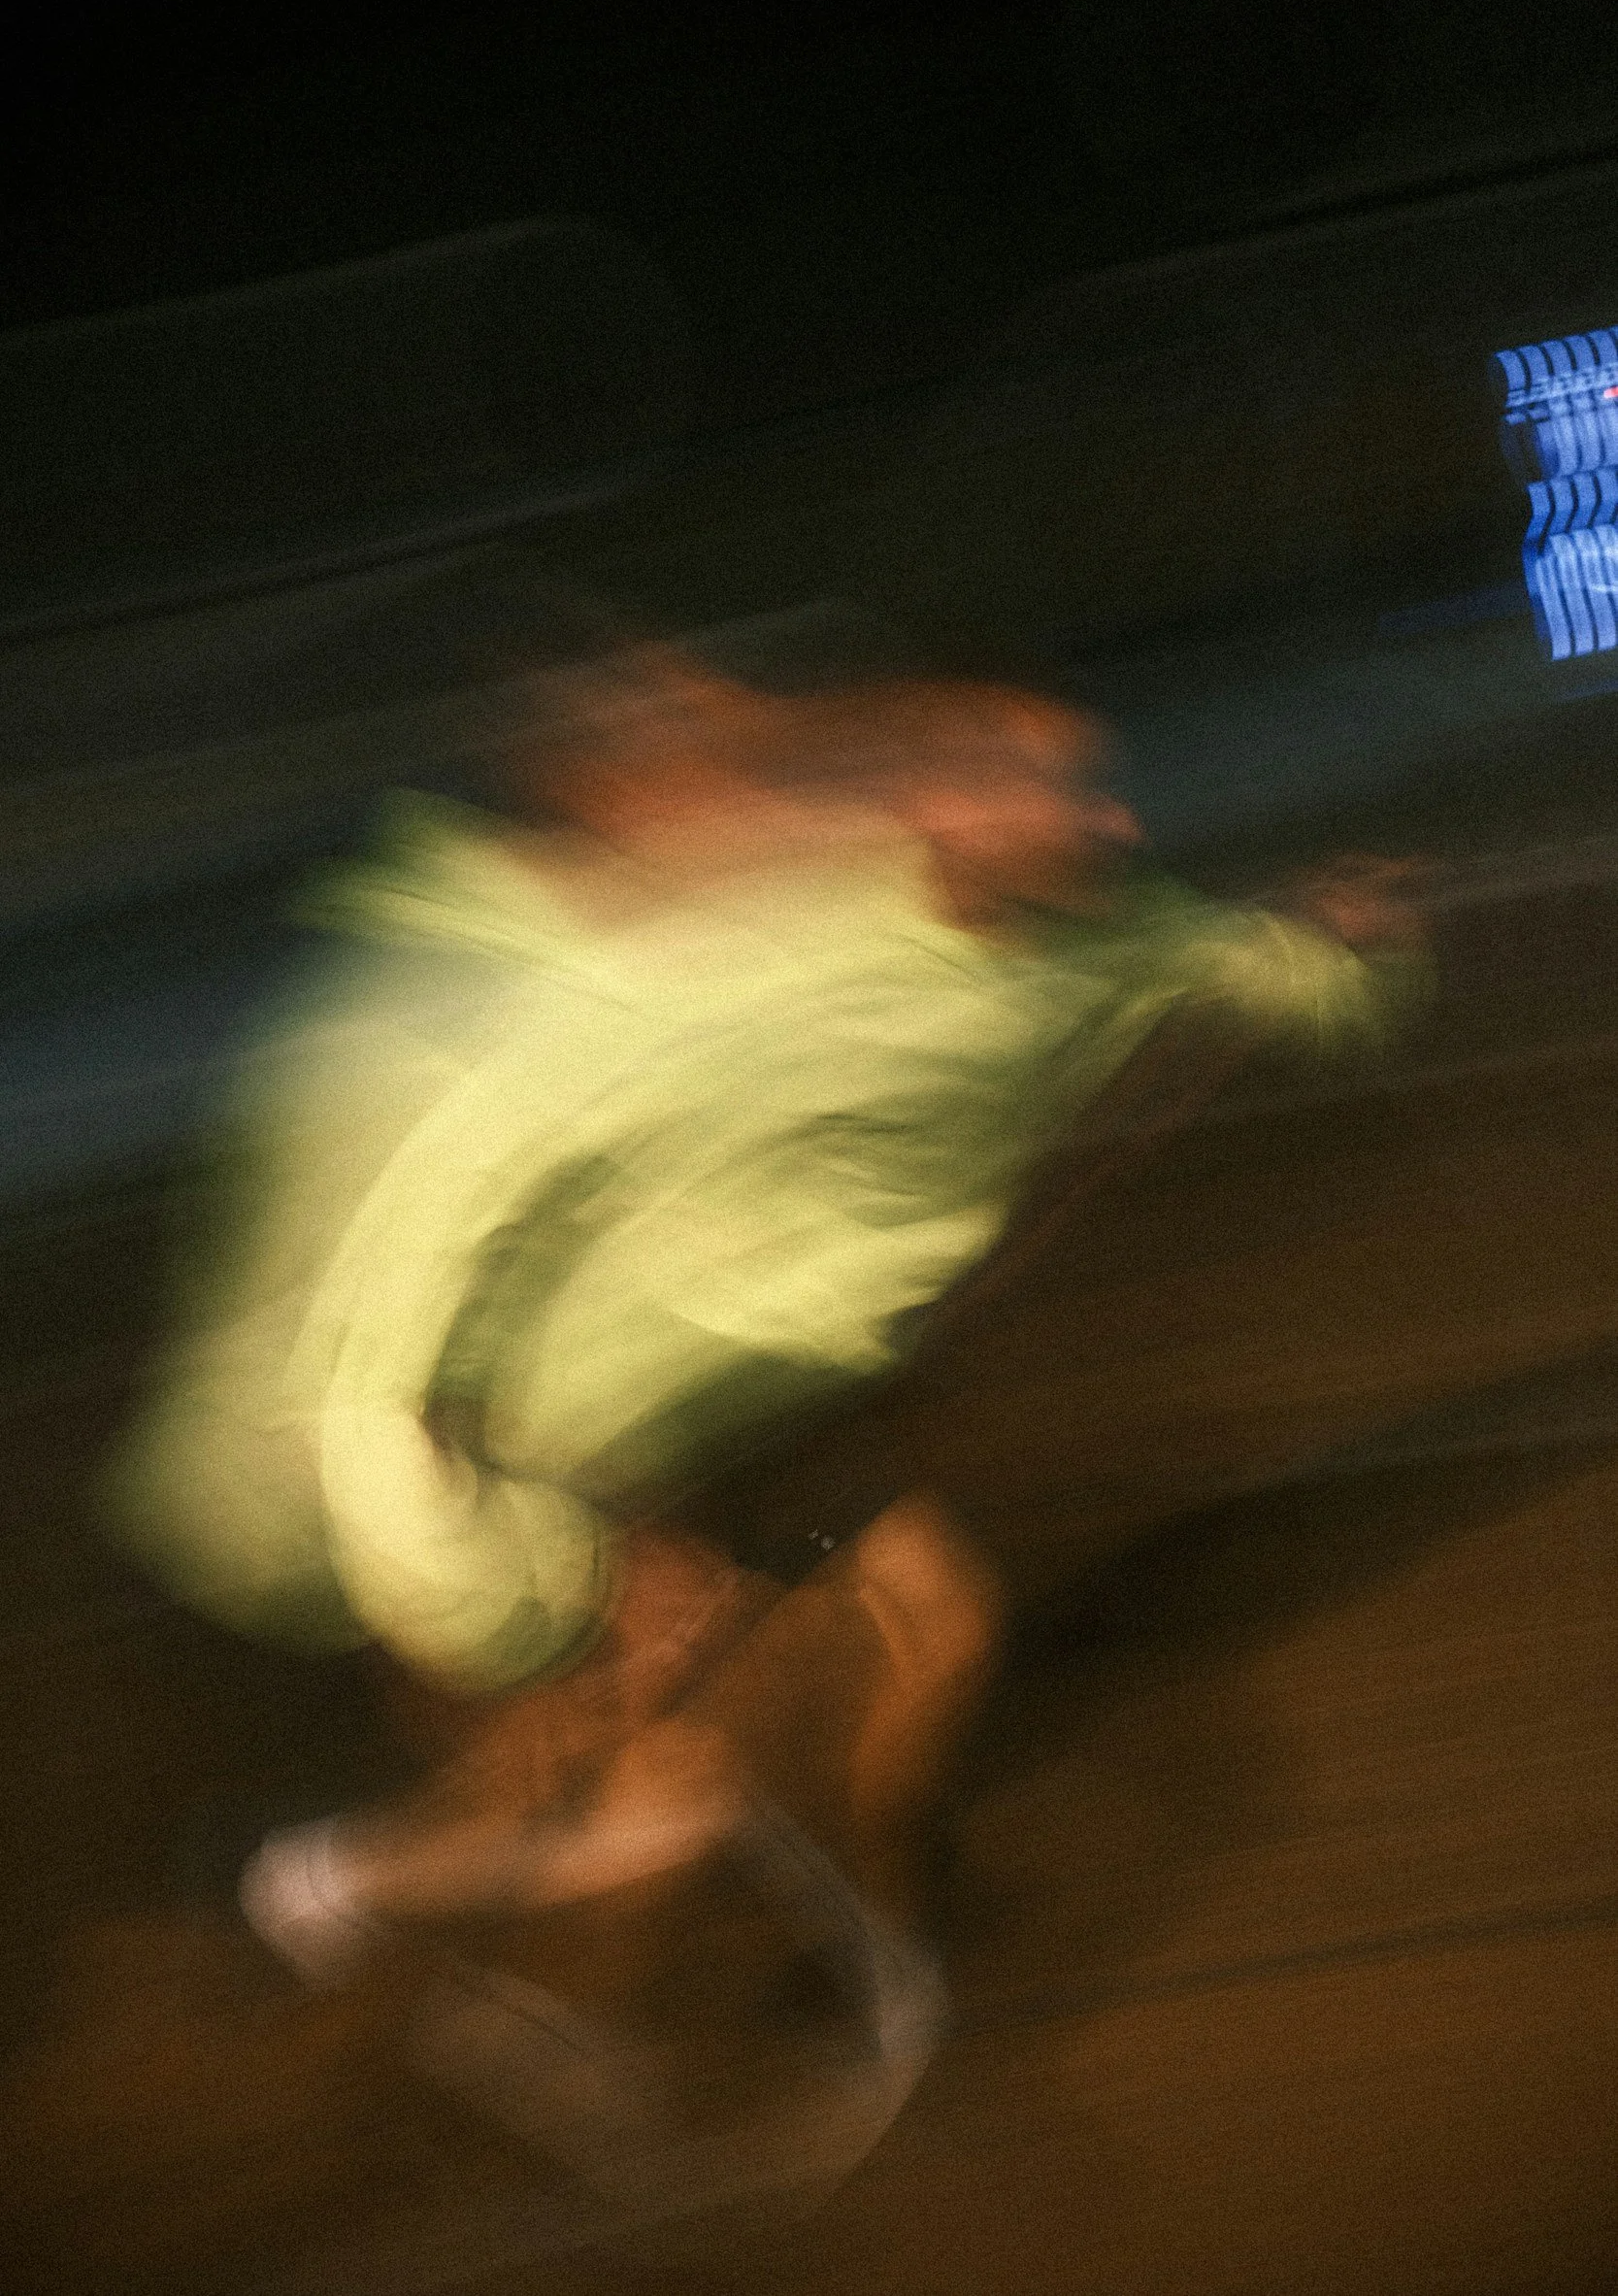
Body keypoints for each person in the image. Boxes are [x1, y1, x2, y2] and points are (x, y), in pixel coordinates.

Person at [101, 638, 1429, 1995]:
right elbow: (398, 1303)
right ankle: (320, 1892)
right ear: (931, 815)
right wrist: (546, 1577)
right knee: (645, 1793)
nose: (1110, 821)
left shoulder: (1088, 926)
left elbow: (1230, 961)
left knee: (921, 1624)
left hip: (748, 1397)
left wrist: (1339, 952)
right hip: (527, 1453)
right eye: (1046, 792)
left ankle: (849, 1931)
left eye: (1088, 788)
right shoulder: (693, 991)